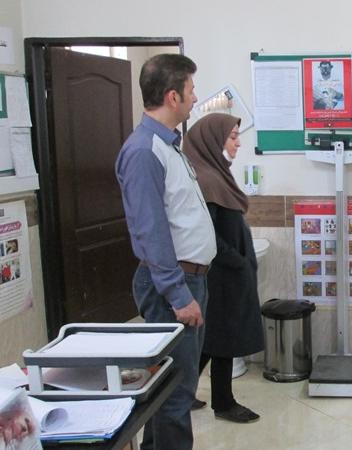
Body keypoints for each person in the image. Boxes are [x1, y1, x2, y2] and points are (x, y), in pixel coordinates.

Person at [115, 53, 216, 450]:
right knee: (175, 394)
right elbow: (151, 231)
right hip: (171, 285)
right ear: (173, 96)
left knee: (170, 388)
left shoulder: (169, 145)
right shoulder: (144, 151)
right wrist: (178, 294)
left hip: (187, 279)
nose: (196, 97)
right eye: (191, 89)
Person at [182, 113, 264, 424]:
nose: (238, 143)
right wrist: (237, 261)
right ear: (212, 140)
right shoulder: (206, 180)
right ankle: (223, 403)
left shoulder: (215, 175)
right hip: (220, 275)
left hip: (227, 273)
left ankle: (181, 393)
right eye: (232, 136)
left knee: (212, 338)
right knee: (222, 337)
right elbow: (209, 236)